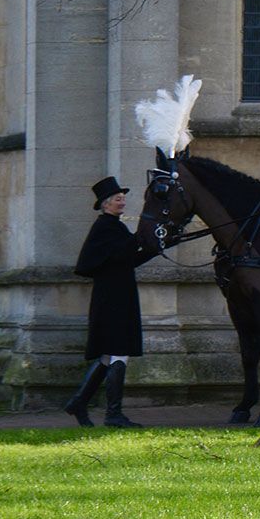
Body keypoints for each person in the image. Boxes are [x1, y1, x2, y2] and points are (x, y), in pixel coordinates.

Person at [62, 177, 162, 428]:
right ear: (105, 204)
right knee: (118, 353)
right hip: (112, 299)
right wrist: (142, 236)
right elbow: (120, 254)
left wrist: (155, 247)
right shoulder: (105, 228)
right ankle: (113, 414)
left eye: (123, 198)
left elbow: (127, 258)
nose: (122, 202)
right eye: (118, 199)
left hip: (118, 295)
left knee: (109, 355)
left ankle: (78, 402)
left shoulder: (113, 228)